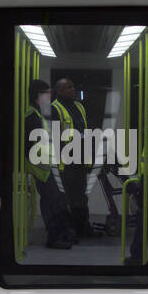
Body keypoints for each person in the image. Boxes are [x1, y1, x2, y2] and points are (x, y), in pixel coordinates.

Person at [24, 79, 73, 250]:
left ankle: (60, 234)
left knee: (55, 202)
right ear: (38, 97)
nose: (49, 97)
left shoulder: (37, 114)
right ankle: (54, 238)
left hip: (46, 166)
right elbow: (29, 147)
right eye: (46, 93)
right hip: (41, 169)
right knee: (51, 204)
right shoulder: (31, 116)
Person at [52, 78, 93, 240]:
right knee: (66, 199)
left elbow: (85, 132)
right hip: (65, 163)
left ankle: (83, 228)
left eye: (73, 86)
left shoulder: (79, 107)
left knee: (81, 196)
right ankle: (69, 231)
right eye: (68, 87)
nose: (73, 89)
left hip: (80, 160)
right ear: (59, 91)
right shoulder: (55, 109)